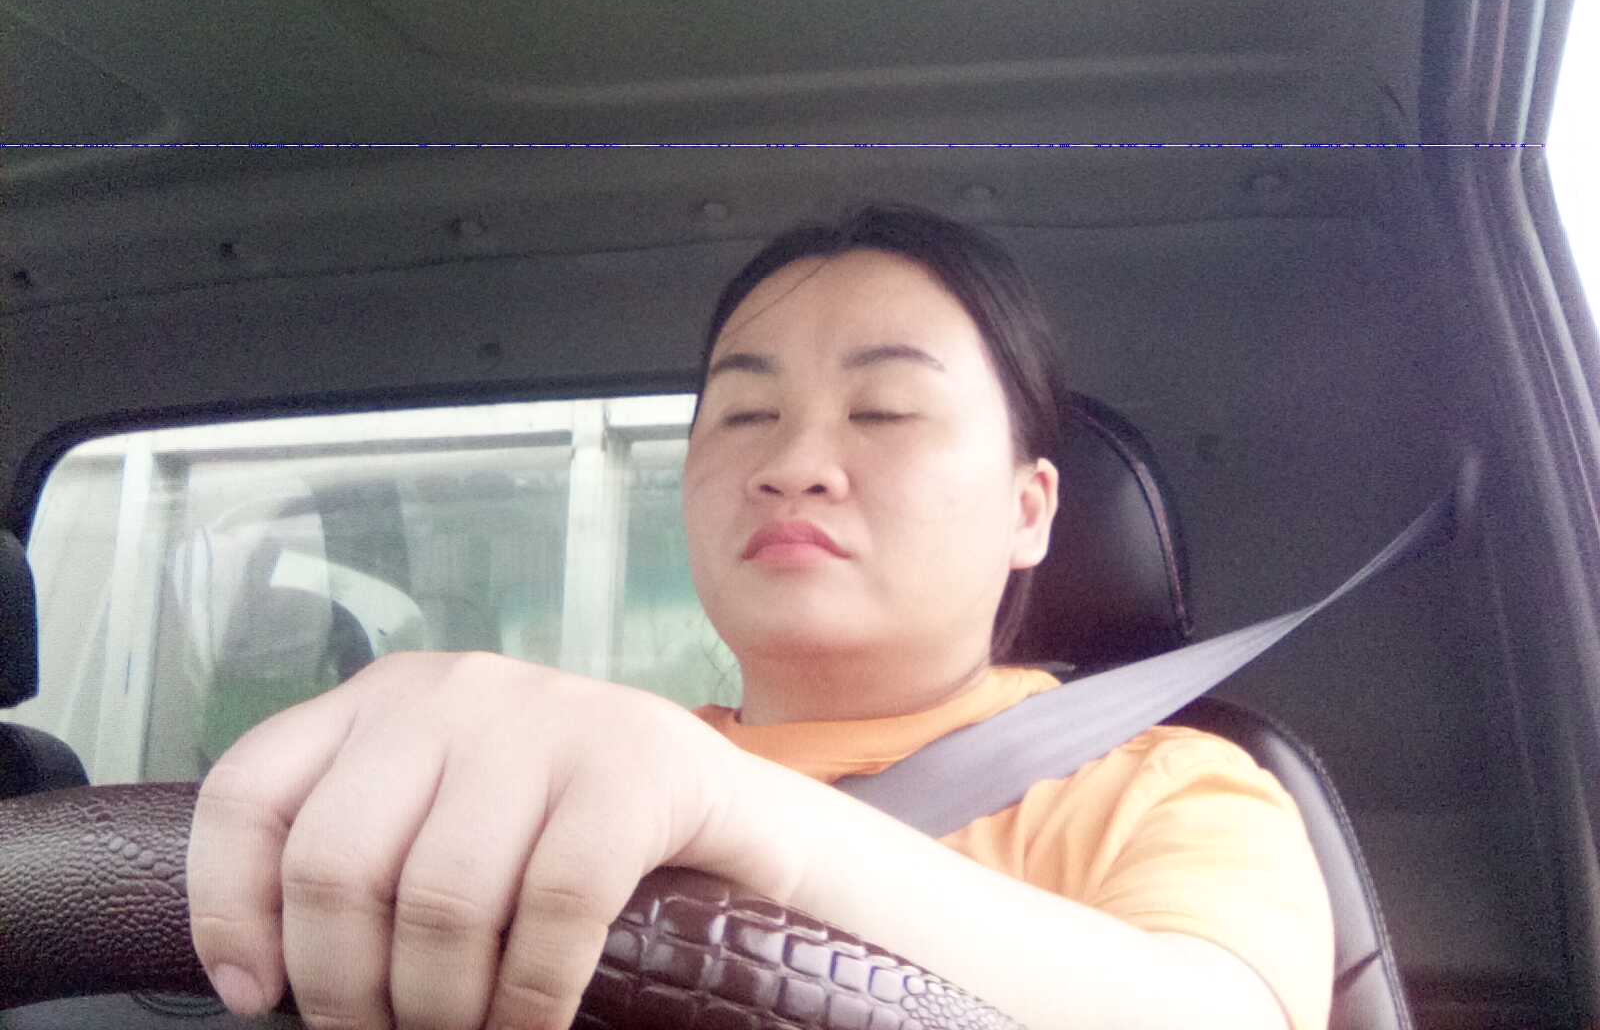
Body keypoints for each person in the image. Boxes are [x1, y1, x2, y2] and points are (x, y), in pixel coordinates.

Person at [187, 205, 1334, 1030]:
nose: (793, 463)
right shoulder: (585, 772)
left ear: (1028, 510)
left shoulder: (1169, 791)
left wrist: (737, 811)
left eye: (885, 410)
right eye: (742, 415)